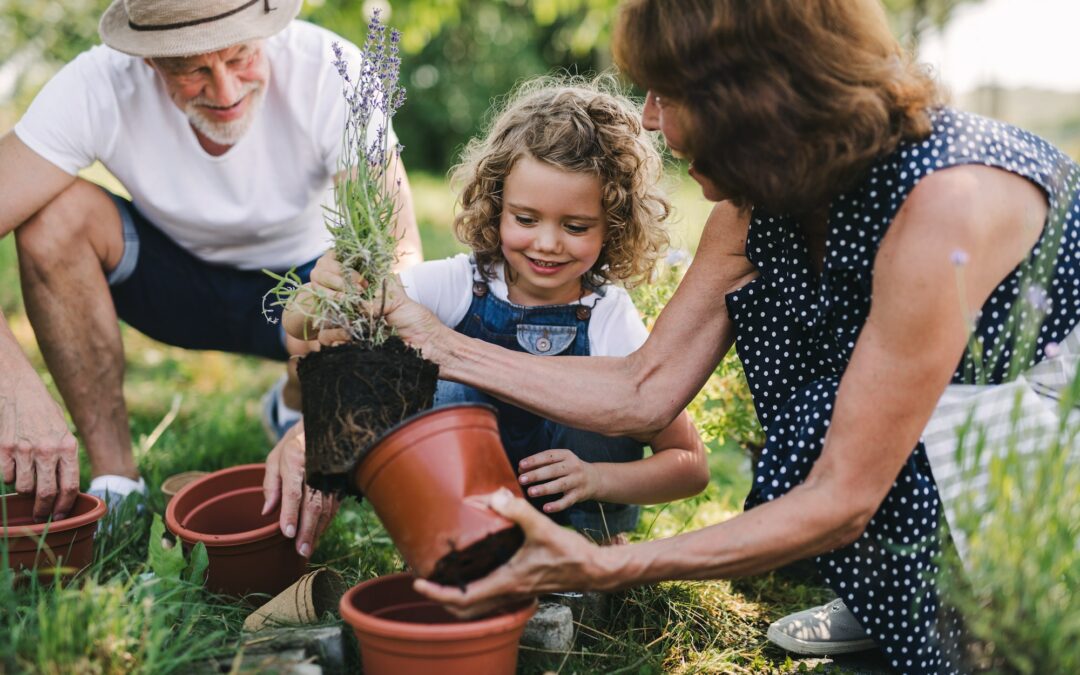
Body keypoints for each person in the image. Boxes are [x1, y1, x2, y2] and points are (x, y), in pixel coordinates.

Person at [352, 1, 1079, 673]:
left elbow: (842, 494)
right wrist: (436, 343)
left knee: (1002, 650)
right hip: (935, 425)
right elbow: (646, 387)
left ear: (754, 98)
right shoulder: (764, 191)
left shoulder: (944, 206)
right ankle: (896, 604)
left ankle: (985, 609)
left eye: (667, 93)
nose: (647, 119)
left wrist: (603, 564)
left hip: (1041, 449)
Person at [0, 0, 422, 559]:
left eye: (240, 56)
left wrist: (325, 422)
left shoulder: (330, 71)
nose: (224, 91)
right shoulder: (96, 83)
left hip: (300, 293)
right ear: (149, 60)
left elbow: (399, 258)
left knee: (354, 288)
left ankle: (295, 404)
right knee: (51, 220)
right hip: (172, 283)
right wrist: (14, 387)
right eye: (192, 70)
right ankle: (118, 482)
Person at [288, 79, 709, 541]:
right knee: (443, 392)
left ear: (614, 225)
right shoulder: (458, 285)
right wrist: (322, 291)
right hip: (467, 521)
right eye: (525, 219)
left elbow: (689, 466)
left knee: (607, 401)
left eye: (575, 226)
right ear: (496, 207)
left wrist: (599, 479)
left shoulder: (608, 315)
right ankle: (451, 544)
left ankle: (594, 551)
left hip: (571, 527)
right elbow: (305, 322)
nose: (547, 243)